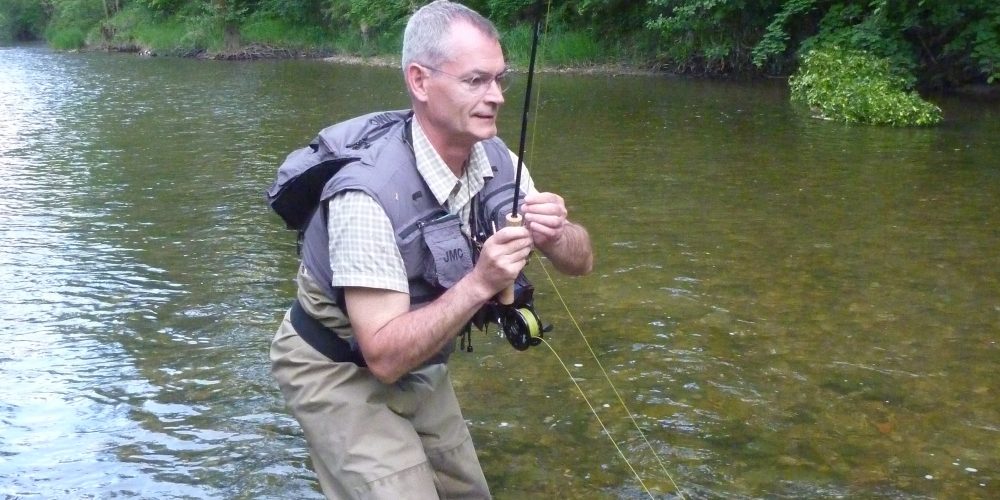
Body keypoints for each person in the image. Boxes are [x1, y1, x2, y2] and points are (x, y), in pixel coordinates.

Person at [269, 1, 593, 497]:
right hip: (336, 365)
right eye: (476, 81)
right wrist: (482, 281)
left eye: (500, 80)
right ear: (420, 82)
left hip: (421, 358)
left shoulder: (499, 160)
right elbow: (383, 358)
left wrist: (557, 234)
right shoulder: (367, 194)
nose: (497, 97)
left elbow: (582, 263)